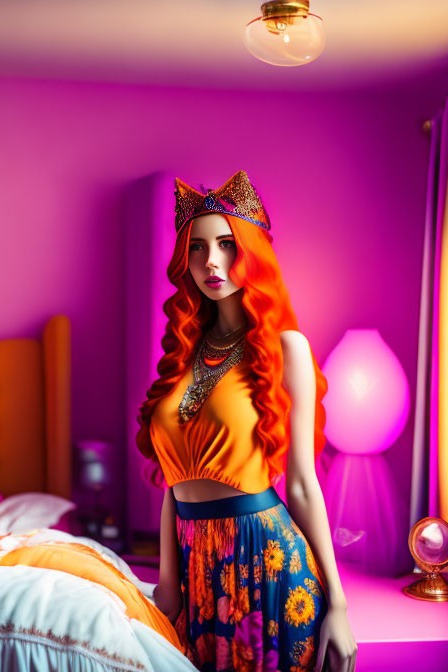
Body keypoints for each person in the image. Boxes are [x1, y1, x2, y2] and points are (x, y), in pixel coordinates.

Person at [136, 171, 357, 672]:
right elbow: (174, 485)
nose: (209, 262)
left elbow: (302, 484)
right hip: (196, 569)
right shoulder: (185, 353)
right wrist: (169, 584)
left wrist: (340, 605)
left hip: (267, 563)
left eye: (226, 245)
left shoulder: (286, 348)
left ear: (252, 253)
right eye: (196, 247)